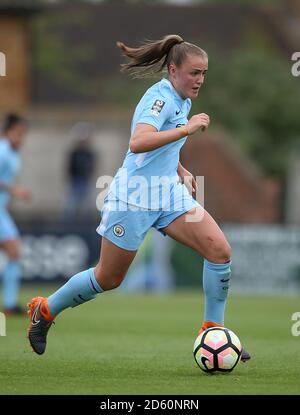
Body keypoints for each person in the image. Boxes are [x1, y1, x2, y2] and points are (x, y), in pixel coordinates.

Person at [27, 35, 250, 362]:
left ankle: (213, 333)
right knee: (108, 277)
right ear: (173, 70)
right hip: (134, 198)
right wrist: (187, 130)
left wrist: (181, 169)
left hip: (168, 195)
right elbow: (139, 142)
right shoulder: (158, 99)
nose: (200, 80)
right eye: (194, 73)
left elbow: (162, 146)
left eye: (204, 73)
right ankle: (45, 310)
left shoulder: (182, 99)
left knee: (219, 251)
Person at [0, 114, 31, 315]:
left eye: (23, 134)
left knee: (14, 252)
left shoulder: (12, 152)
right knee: (14, 251)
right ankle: (10, 304)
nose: (20, 138)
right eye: (17, 133)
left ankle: (10, 304)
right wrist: (15, 191)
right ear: (7, 131)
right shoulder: (2, 151)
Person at [63, 122, 96, 219]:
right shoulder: (74, 153)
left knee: (86, 205)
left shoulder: (89, 153)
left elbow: (92, 167)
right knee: (71, 204)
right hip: (75, 180)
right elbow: (69, 166)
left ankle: (86, 222)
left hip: (85, 180)